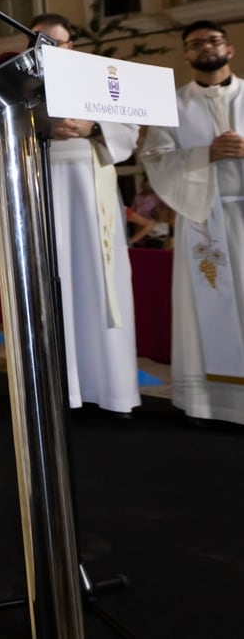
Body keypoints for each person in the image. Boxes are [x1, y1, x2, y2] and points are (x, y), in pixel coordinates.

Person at [31, 14, 141, 416]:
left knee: (99, 281)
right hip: (45, 186)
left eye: (56, 43)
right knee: (55, 287)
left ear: (72, 46)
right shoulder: (24, 85)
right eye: (40, 42)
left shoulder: (100, 78)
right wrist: (44, 127)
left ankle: (113, 391)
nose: (49, 50)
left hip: (90, 186)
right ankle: (65, 390)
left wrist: (92, 127)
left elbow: (128, 133)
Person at [141, 21, 244, 424]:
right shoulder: (172, 105)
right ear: (186, 54)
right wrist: (206, 155)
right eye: (196, 43)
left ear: (230, 49)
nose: (206, 48)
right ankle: (211, 403)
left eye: (213, 41)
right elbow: (155, 158)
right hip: (202, 217)